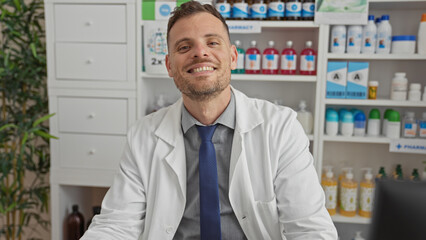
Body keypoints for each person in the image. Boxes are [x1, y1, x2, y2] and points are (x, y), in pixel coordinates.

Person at [81, 1, 338, 239]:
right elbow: (116, 225)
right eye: (184, 47)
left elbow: (310, 227)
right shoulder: (143, 136)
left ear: (233, 57)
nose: (200, 53)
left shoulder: (280, 127)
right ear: (169, 66)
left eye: (212, 43)